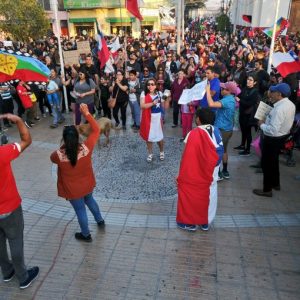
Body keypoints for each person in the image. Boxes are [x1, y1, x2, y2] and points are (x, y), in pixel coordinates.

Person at [50, 104, 105, 242]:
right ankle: (100, 220)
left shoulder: (58, 155)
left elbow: (52, 158)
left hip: (73, 190)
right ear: (77, 136)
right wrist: (86, 113)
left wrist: (64, 146)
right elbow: (96, 129)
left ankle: (86, 234)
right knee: (90, 200)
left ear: (64, 139)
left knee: (80, 210)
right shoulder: (86, 148)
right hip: (87, 185)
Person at [0, 113, 39, 289]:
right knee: (15, 240)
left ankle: (6, 272)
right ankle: (23, 276)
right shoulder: (3, 153)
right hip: (9, 207)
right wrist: (18, 120)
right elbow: (26, 140)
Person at [176, 108, 224, 231]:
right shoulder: (216, 131)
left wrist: (181, 172)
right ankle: (205, 222)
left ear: (198, 119)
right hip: (213, 168)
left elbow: (186, 155)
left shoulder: (193, 133)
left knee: (191, 192)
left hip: (198, 169)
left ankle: (190, 222)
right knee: (210, 192)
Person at [253, 83, 296, 197]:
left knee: (267, 164)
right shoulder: (289, 104)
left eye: (273, 92)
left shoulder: (280, 109)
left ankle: (267, 190)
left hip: (273, 139)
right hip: (281, 137)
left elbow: (272, 130)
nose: (271, 94)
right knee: (274, 162)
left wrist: (261, 124)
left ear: (279, 94)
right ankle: (275, 183)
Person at [206, 81, 239, 179]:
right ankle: (225, 171)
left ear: (228, 91)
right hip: (227, 129)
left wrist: (207, 91)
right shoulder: (230, 99)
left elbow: (211, 104)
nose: (221, 89)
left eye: (223, 88)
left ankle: (218, 173)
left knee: (217, 151)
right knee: (224, 150)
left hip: (222, 129)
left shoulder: (227, 100)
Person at [234, 74, 260, 156]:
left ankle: (248, 150)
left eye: (251, 80)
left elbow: (249, 104)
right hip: (242, 113)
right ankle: (242, 145)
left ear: (255, 82)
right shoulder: (245, 88)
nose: (248, 81)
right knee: (243, 131)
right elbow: (239, 96)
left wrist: (239, 100)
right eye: (248, 79)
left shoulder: (255, 92)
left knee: (248, 132)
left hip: (248, 116)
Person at [140, 78, 165, 162]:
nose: (150, 86)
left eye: (152, 84)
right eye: (148, 84)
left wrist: (168, 98)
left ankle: (161, 152)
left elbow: (165, 106)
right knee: (149, 137)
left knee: (159, 137)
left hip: (157, 119)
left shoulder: (160, 93)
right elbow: (142, 106)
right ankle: (150, 153)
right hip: (148, 118)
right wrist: (152, 103)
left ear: (155, 85)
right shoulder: (144, 93)